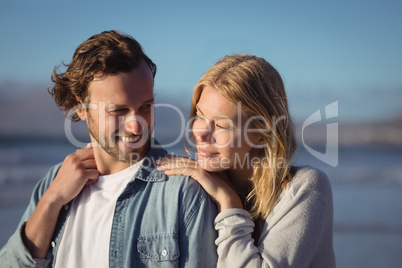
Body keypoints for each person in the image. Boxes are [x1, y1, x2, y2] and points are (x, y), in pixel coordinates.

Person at [0, 30, 218, 267]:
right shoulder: (53, 182)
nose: (136, 126)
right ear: (80, 107)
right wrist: (52, 201)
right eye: (119, 110)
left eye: (146, 106)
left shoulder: (183, 193)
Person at [157, 54, 336, 267]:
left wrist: (228, 201)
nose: (201, 133)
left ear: (261, 133)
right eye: (199, 115)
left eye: (221, 125)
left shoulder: (305, 188)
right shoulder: (198, 185)